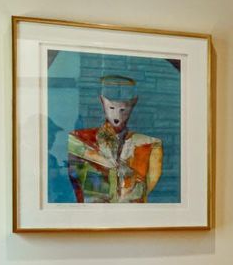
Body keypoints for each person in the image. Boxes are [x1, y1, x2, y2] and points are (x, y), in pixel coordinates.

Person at [66, 74, 165, 203]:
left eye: (123, 109)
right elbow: (78, 184)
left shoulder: (151, 145)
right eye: (111, 107)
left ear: (132, 106)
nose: (117, 115)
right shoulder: (80, 139)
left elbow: (146, 187)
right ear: (103, 103)